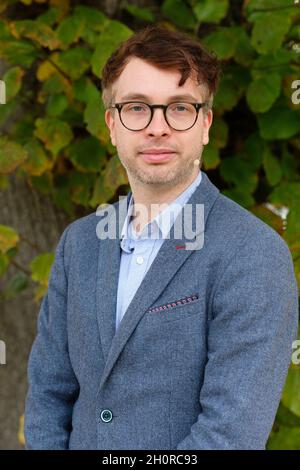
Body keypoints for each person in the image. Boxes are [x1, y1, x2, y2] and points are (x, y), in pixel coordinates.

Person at [24, 24, 299, 450]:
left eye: (179, 108)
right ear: (112, 125)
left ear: (205, 123)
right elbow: (47, 395)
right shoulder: (79, 243)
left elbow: (230, 435)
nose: (157, 128)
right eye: (137, 108)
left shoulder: (253, 253)